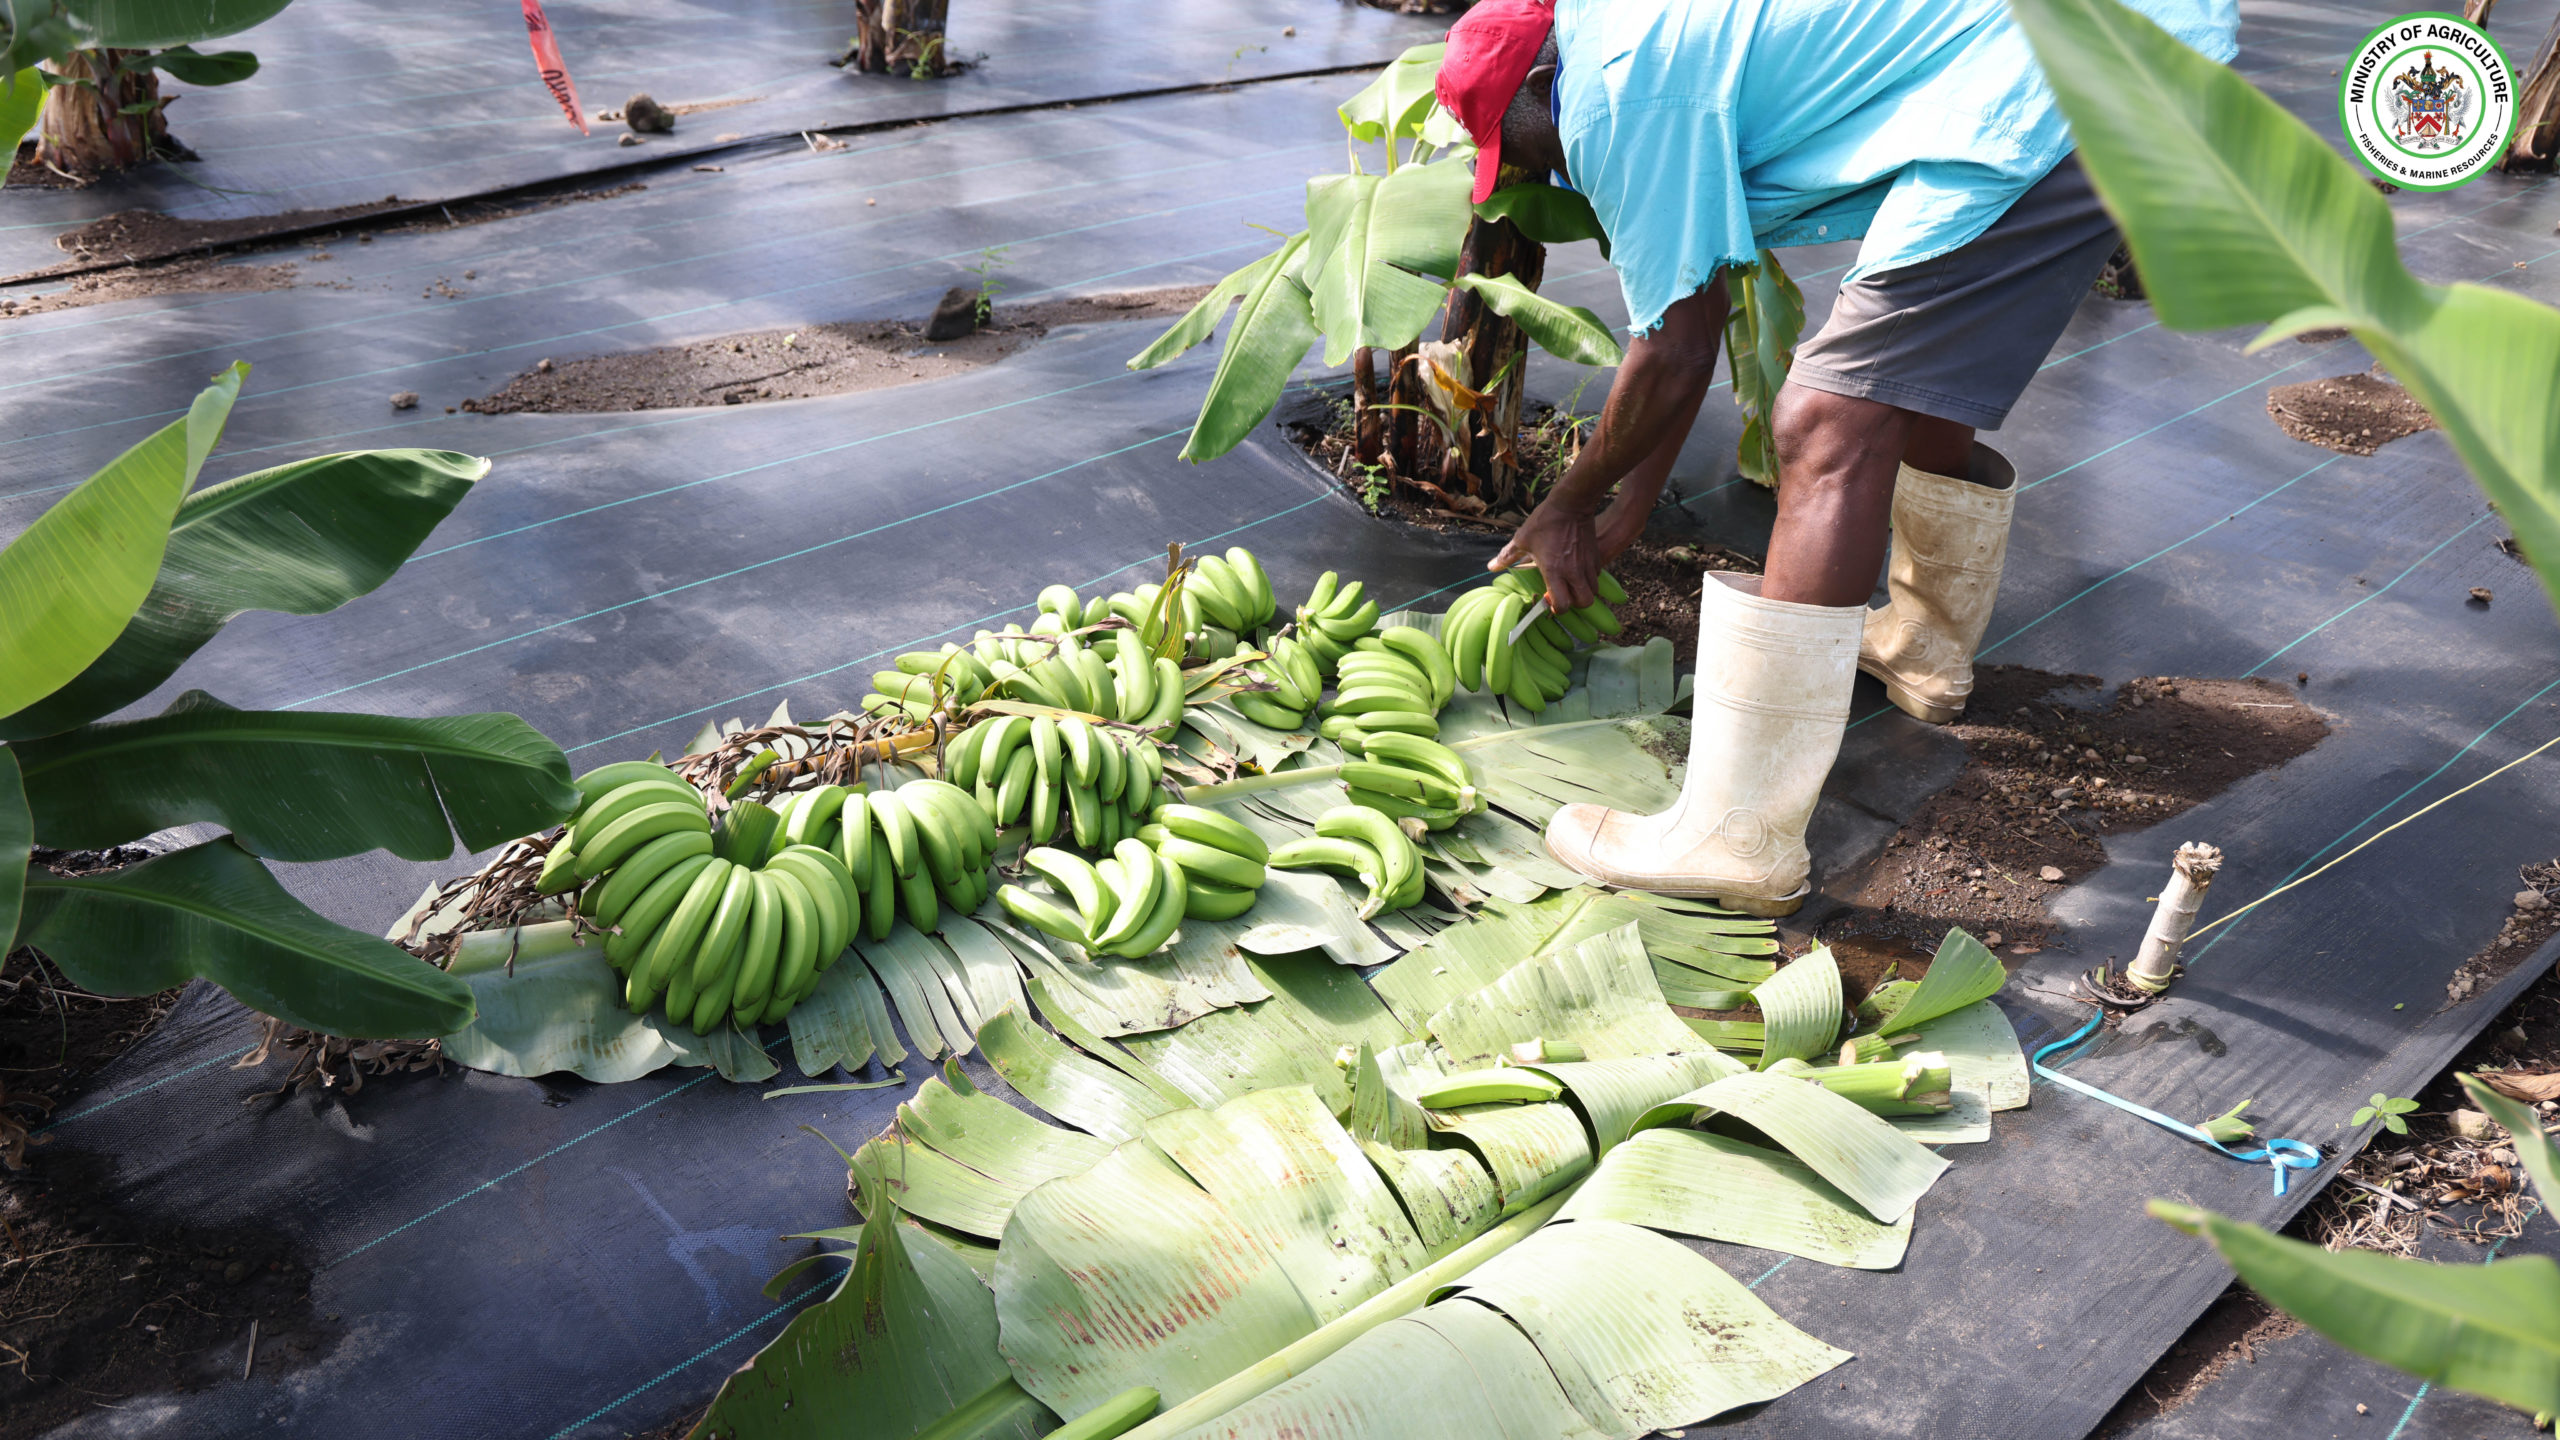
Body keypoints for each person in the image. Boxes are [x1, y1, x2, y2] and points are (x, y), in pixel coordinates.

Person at [1433, 0, 2237, 915]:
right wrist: (1627, 508)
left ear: (1543, 81)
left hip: (2045, 90)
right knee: (1912, 381)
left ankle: (1737, 836)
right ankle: (1925, 650)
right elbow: (1691, 313)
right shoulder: (1639, 31)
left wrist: (1567, 506)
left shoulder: (1609, 97)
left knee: (1825, 421)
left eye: (1519, 142)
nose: (1546, 168)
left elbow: (1673, 353)